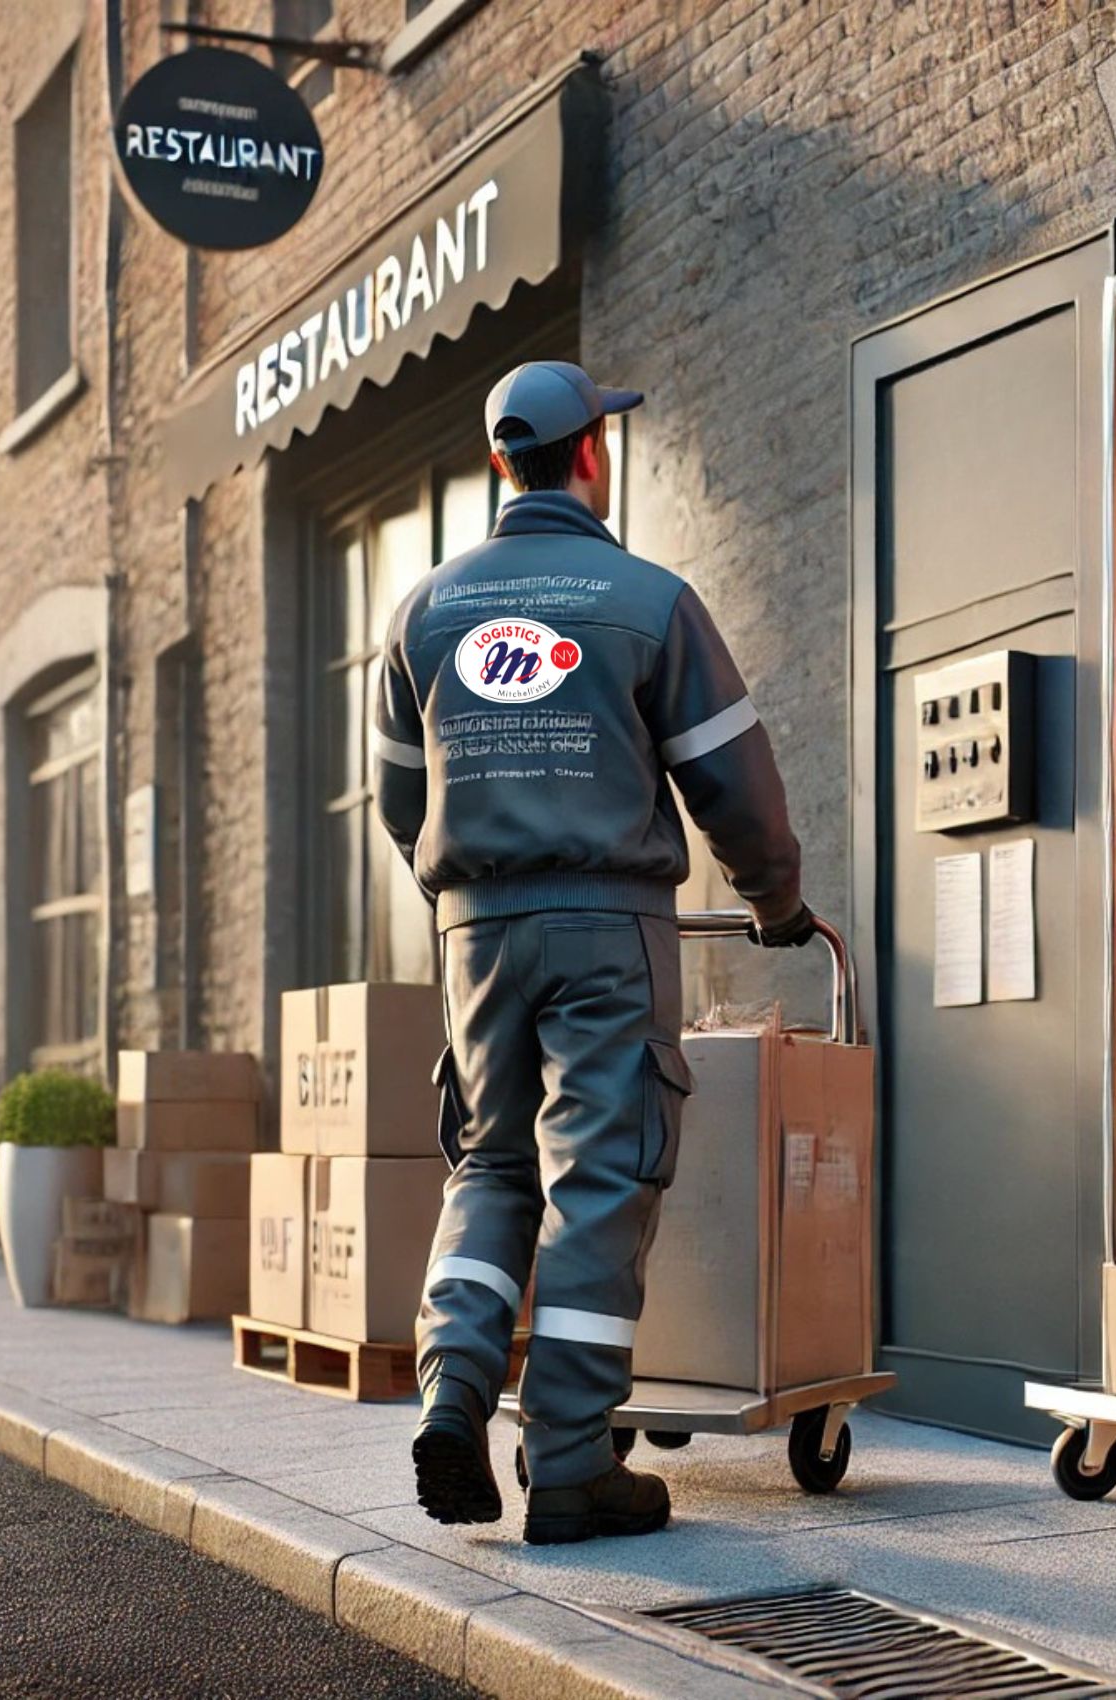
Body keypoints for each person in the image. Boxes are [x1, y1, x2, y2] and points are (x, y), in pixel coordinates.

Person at [373, 361, 810, 1545]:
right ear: (588, 457)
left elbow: (402, 805)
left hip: (479, 934)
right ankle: (568, 1463)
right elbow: (737, 790)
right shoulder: (647, 601)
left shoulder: (421, 614)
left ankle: (454, 1393)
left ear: (501, 463)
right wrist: (775, 902)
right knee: (599, 1177)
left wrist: (470, 893)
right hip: (608, 929)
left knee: (492, 1168)